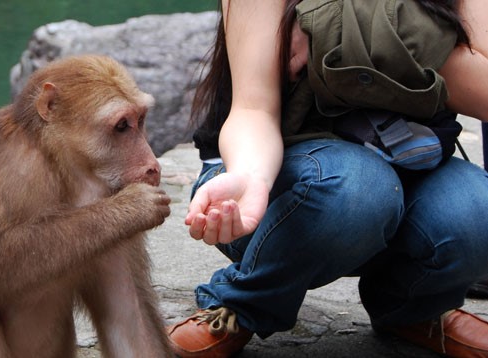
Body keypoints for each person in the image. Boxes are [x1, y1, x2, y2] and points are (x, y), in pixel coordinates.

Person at [166, 0, 488, 357]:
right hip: (285, 180)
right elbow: (254, 109)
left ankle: (412, 309)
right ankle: (241, 304)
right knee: (360, 189)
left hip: (410, 168)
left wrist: (346, 23)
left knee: (478, 211)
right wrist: (250, 177)